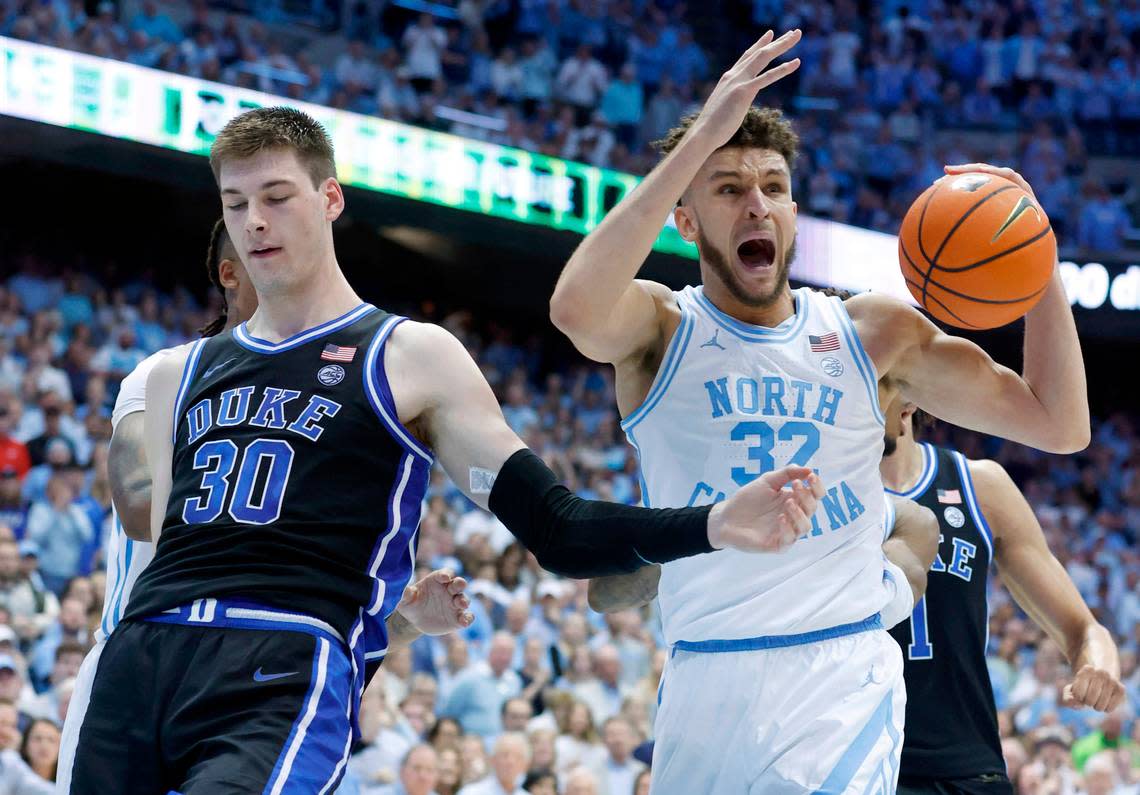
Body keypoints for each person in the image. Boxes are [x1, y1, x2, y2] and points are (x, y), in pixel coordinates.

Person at [69, 107, 824, 794]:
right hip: (141, 659)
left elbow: (556, 526)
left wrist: (710, 523)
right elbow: (138, 524)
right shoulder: (174, 372)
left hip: (278, 664)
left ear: (331, 199)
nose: (254, 222)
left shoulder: (408, 354)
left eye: (276, 197)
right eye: (236, 206)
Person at [549, 28, 1090, 794]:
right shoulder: (659, 329)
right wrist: (702, 133)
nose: (756, 206)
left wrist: (1035, 259)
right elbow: (574, 307)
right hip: (705, 674)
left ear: (796, 211)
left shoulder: (870, 335)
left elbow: (1060, 423)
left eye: (773, 186)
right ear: (686, 218)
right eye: (729, 188)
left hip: (840, 674)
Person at [58, 218, 475, 792]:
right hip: (141, 661)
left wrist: (402, 623)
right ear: (232, 272)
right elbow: (135, 506)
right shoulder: (170, 372)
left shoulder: (331, 400)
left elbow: (315, 625)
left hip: (250, 668)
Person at [880, 400, 1124, 794]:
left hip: (971, 767)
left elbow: (1083, 628)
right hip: (861, 768)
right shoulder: (821, 493)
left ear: (908, 398)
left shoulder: (978, 485)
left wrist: (1098, 663)